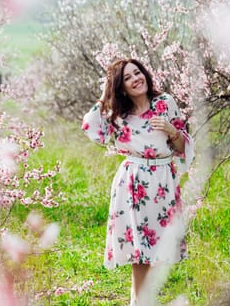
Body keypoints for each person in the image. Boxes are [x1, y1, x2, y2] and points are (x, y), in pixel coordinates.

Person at [82, 58, 194, 305]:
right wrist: (104, 94)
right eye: (128, 78)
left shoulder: (165, 103)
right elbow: (91, 128)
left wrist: (170, 130)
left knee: (158, 253)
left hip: (163, 181)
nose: (136, 79)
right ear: (121, 88)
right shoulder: (119, 115)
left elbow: (182, 148)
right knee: (140, 254)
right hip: (134, 182)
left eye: (138, 72)